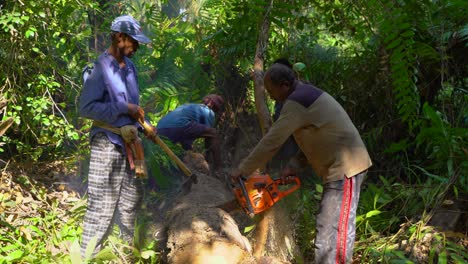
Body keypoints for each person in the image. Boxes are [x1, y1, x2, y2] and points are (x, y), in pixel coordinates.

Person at [230, 63, 372, 264]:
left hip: (347, 166)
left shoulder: (297, 101)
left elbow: (272, 141)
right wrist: (295, 163)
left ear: (285, 85)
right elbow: (320, 133)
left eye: (272, 91)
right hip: (338, 167)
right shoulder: (305, 95)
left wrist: (243, 169)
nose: (270, 97)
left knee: (334, 229)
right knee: (327, 225)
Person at [79, 15, 155, 256]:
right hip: (107, 142)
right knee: (101, 206)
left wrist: (146, 126)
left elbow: (133, 108)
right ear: (119, 37)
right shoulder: (98, 68)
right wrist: (123, 108)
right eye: (134, 41)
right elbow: (85, 108)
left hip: (129, 143)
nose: (137, 47)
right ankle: (87, 256)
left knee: (130, 202)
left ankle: (124, 255)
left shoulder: (131, 68)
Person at [156, 94, 224, 171]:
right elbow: (209, 136)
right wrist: (208, 158)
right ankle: (218, 168)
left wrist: (189, 150)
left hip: (160, 129)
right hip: (177, 127)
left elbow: (185, 134)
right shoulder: (208, 111)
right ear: (213, 106)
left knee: (183, 151)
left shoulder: (189, 106)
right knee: (213, 133)